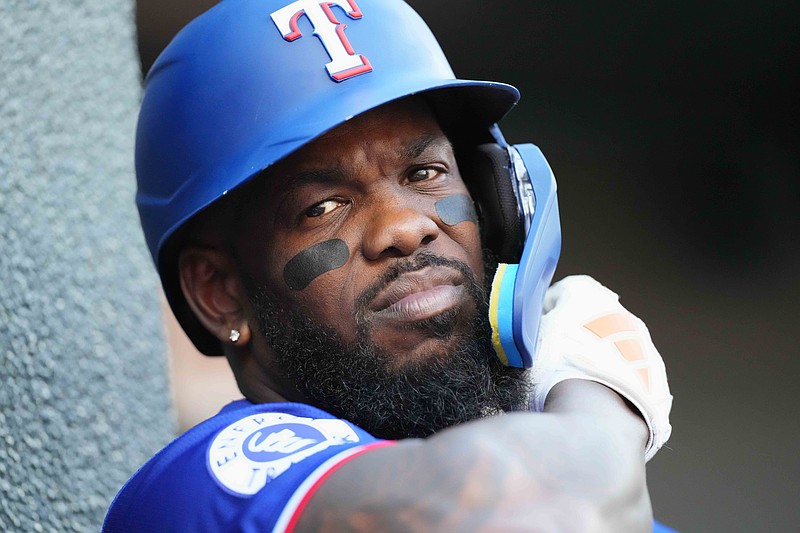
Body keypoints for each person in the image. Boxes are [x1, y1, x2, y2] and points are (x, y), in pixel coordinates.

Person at [105, 0, 674, 531]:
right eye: (323, 208)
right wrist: (599, 385)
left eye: (425, 174)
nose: (405, 227)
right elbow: (542, 507)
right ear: (220, 292)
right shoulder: (207, 481)